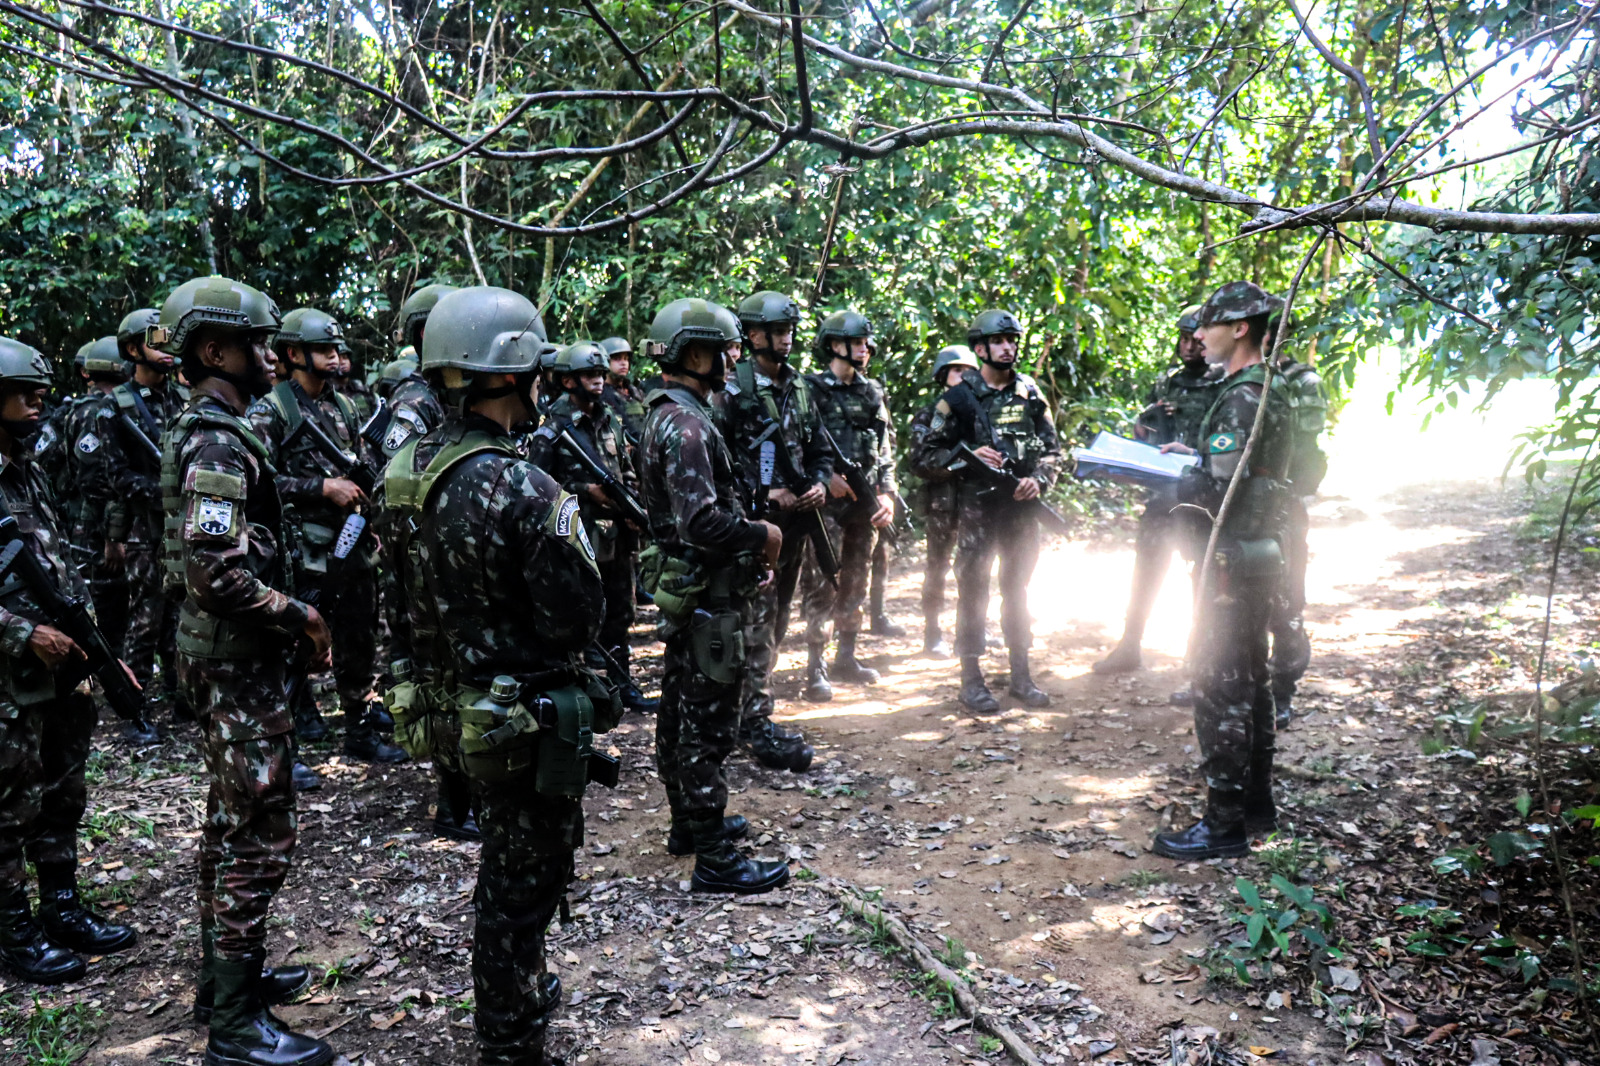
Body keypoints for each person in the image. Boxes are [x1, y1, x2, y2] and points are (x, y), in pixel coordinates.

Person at [382, 285, 611, 1066]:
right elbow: (576, 617)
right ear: (513, 375)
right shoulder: (523, 487)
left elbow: (399, 599)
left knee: (508, 869)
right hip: (518, 718)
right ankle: (509, 1037)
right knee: (521, 884)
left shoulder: (407, 469)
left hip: (449, 708)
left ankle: (517, 995)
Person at [156, 275, 335, 1064]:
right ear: (213, 350)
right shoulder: (217, 438)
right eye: (259, 343)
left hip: (231, 660)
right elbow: (215, 572)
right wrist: (299, 615)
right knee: (259, 831)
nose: (272, 355)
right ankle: (233, 1027)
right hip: (235, 666)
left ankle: (226, 981)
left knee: (231, 825)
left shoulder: (224, 427)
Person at [636, 298, 789, 892]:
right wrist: (763, 535)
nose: (733, 359)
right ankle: (715, 859)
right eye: (723, 349)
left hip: (689, 589)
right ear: (693, 352)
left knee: (678, 708)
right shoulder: (689, 423)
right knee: (708, 722)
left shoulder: (664, 414)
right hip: (707, 596)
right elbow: (700, 521)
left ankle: (689, 824)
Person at [0, 336, 139, 986]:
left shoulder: (25, 469)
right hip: (10, 675)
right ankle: (13, 930)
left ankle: (59, 905)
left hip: (60, 666)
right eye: (22, 393)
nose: (37, 404)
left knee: (63, 792)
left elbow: (55, 565)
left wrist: (102, 657)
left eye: (39, 393)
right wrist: (20, 633)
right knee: (7, 805)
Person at [1150, 281, 1293, 860]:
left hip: (1232, 557)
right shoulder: (1269, 386)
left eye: (1207, 326)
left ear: (1239, 329)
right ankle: (1256, 809)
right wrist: (1198, 458)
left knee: (1220, 685)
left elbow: (1220, 489)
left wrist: (1170, 477)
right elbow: (1241, 468)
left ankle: (1224, 824)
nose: (1198, 335)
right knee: (1252, 682)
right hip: (1257, 552)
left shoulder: (1241, 393)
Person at [247, 308, 405, 765]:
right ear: (293, 354)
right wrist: (320, 487)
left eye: (337, 349)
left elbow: (362, 466)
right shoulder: (272, 409)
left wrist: (368, 514)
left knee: (359, 637)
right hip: (300, 550)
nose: (335, 357)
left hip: (350, 543)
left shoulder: (344, 405)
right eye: (323, 349)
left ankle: (359, 726)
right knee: (295, 644)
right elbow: (256, 485)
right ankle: (287, 747)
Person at [913, 310, 1061, 713]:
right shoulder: (958, 398)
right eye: (999, 341)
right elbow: (923, 456)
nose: (1009, 347)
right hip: (978, 510)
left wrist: (1040, 480)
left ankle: (1021, 676)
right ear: (980, 348)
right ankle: (971, 680)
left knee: (1018, 590)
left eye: (1013, 339)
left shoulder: (1030, 392)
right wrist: (967, 458)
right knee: (974, 590)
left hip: (1021, 511)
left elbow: (1052, 451)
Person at [720, 290, 828, 771]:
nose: (785, 339)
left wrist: (821, 484)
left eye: (789, 331)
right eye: (777, 331)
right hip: (755, 529)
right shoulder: (733, 391)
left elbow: (819, 449)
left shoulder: (800, 388)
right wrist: (765, 500)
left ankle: (750, 713)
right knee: (756, 625)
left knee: (779, 619)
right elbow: (720, 466)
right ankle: (753, 723)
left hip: (797, 528)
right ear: (754, 335)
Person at [526, 342, 656, 713]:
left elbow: (626, 469)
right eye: (589, 375)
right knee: (582, 614)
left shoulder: (609, 418)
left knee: (621, 612)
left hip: (617, 534)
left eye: (601, 375)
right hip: (578, 535)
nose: (598, 381)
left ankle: (622, 683)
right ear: (568, 380)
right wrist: (587, 492)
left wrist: (631, 503)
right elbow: (538, 486)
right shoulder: (553, 428)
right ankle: (586, 690)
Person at [1093, 305, 1218, 675]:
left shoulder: (1224, 382)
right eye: (1182, 339)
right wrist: (1144, 429)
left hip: (1201, 497)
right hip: (1162, 495)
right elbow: (1149, 434)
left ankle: (1198, 658)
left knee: (1203, 578)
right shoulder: (1166, 382)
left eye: (1195, 339)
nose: (1189, 347)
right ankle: (1130, 645)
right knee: (1146, 570)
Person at [800, 311, 898, 697]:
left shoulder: (872, 391)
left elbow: (886, 448)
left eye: (866, 343)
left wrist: (887, 493)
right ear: (835, 345)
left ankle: (846, 656)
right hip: (826, 504)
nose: (865, 348)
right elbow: (797, 444)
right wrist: (824, 478)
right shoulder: (810, 390)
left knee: (856, 579)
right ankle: (815, 666)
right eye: (858, 342)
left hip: (866, 501)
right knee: (821, 582)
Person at [102, 308, 190, 736]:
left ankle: (182, 698)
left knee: (181, 614)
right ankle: (133, 711)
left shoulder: (181, 398)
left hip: (180, 526)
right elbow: (115, 476)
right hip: (143, 531)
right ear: (134, 349)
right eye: (156, 342)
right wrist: (162, 492)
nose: (167, 350)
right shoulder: (115, 405)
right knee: (145, 620)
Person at [61, 338, 133, 712]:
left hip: (103, 526)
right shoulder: (93, 412)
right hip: (94, 529)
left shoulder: (106, 407)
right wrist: (112, 535)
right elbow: (95, 479)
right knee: (102, 606)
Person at [1265, 309, 1327, 729]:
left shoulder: (1303, 382)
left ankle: (1282, 691)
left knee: (1285, 602)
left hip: (1284, 509)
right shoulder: (1238, 377)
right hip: (1238, 508)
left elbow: (1307, 453)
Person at [909, 344, 979, 656]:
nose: (963, 376)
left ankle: (973, 629)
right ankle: (932, 631)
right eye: (956, 370)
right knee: (937, 567)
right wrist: (964, 460)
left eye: (969, 371)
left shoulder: (982, 414)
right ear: (943, 375)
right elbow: (921, 460)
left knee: (977, 568)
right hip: (943, 503)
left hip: (977, 503)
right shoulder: (934, 415)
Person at [598, 335, 647, 442]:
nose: (623, 363)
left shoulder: (634, 391)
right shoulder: (602, 393)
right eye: (617, 359)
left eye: (626, 359)